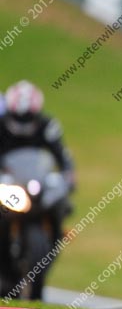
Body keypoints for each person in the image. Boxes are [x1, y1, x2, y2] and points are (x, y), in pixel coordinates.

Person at [0, 80, 75, 245]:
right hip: (9, 181)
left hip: (36, 181)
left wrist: (68, 176)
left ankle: (55, 233)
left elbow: (62, 154)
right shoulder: (1, 125)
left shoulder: (47, 125)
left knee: (61, 203)